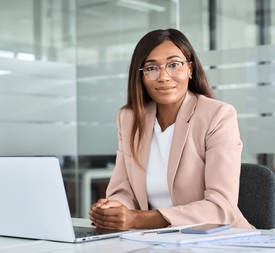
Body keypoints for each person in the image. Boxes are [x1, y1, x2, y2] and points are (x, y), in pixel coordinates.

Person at [89, 28, 253, 230]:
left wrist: (136, 219)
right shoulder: (129, 118)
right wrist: (113, 209)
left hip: (217, 240)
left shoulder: (217, 115)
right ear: (140, 76)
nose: (163, 77)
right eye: (151, 68)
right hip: (154, 241)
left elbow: (221, 207)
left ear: (190, 69)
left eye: (174, 65)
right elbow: (123, 191)